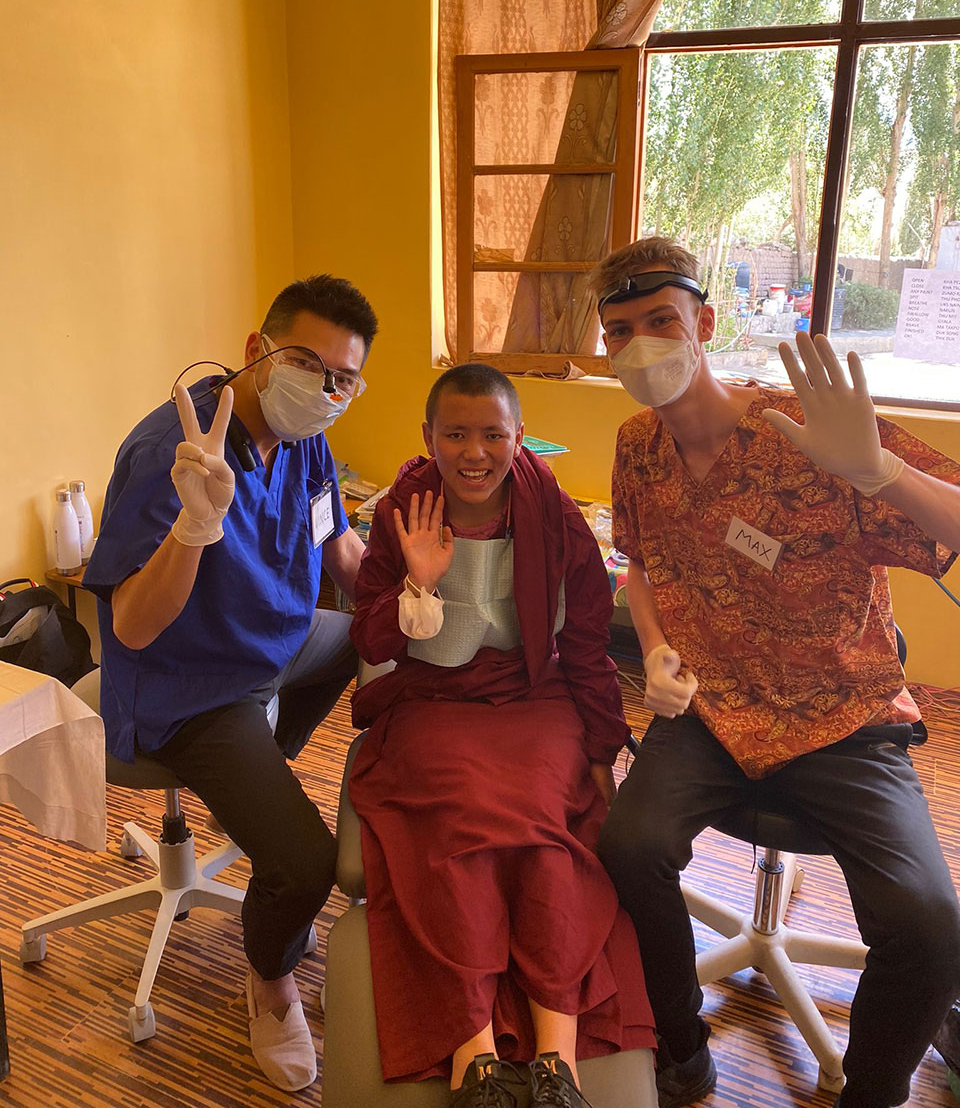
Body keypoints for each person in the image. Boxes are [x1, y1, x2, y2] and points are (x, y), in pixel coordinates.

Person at [591, 236, 960, 1108]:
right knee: (628, 847)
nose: (641, 346)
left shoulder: (807, 434)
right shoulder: (637, 444)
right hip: (708, 711)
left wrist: (878, 468)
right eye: (619, 332)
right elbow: (637, 560)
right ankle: (681, 1046)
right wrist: (654, 651)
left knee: (928, 924)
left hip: (841, 717)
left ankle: (871, 1091)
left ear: (705, 324)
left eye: (660, 322)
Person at [83, 274, 378, 1092]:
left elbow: (340, 555)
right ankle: (269, 981)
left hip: (272, 648)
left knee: (369, 642)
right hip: (189, 689)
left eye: (343, 378)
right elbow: (135, 628)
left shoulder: (306, 433)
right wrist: (194, 525)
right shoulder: (169, 452)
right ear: (256, 352)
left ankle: (258, 781)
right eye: (304, 361)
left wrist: (415, 589)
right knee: (308, 863)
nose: (323, 388)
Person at [348, 364, 656, 1108]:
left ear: (522, 440)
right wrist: (416, 584)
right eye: (456, 434)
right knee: (455, 824)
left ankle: (559, 1060)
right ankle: (474, 1056)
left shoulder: (556, 519)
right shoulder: (401, 512)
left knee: (549, 826)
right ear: (428, 437)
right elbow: (371, 634)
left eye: (493, 434)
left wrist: (600, 747)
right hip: (434, 702)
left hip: (535, 698)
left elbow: (585, 642)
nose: (475, 452)